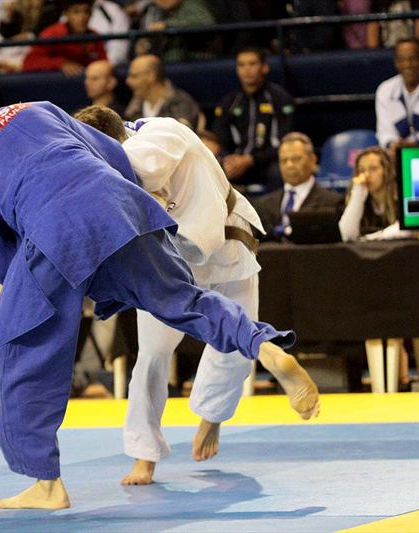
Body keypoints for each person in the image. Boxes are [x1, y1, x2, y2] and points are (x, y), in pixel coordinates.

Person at [0, 75, 318, 509]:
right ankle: (263, 345)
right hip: (119, 202)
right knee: (182, 299)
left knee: (13, 353)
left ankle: (46, 484)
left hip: (52, 229)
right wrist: (125, 213)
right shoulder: (35, 109)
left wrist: (40, 291)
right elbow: (110, 152)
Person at [74, 105, 319, 485]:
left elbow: (136, 171)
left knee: (153, 357)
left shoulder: (145, 145)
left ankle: (146, 456)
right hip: (226, 242)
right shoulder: (163, 131)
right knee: (237, 339)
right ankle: (213, 416)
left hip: (177, 259)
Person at [338, 147, 419, 391]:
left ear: (386, 170)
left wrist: (370, 239)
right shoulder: (359, 198)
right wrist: (358, 195)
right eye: (361, 170)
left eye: (373, 169)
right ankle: (386, 381)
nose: (367, 175)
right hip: (374, 277)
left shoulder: (401, 193)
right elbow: (347, 234)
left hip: (411, 272)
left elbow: (408, 228)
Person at [213, 47, 295, 191]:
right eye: (241, 65)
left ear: (264, 67)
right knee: (213, 172)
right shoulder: (230, 101)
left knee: (279, 172)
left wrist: (251, 159)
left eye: (252, 64)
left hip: (268, 162)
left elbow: (286, 140)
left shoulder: (279, 98)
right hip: (237, 163)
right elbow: (219, 138)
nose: (247, 69)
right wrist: (229, 159)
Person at [252, 132, 344, 240]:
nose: (289, 165)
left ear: (313, 160)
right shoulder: (263, 205)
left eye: (296, 159)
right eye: (284, 161)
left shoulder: (332, 203)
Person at [22, 0, 107, 75]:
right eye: (76, 12)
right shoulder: (52, 34)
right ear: (66, 14)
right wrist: (60, 63)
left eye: (86, 11)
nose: (82, 17)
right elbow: (29, 62)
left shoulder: (94, 36)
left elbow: (104, 63)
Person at [124, 54, 203, 130]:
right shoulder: (134, 106)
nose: (128, 81)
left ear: (151, 75)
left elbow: (182, 133)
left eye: (134, 76)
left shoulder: (181, 103)